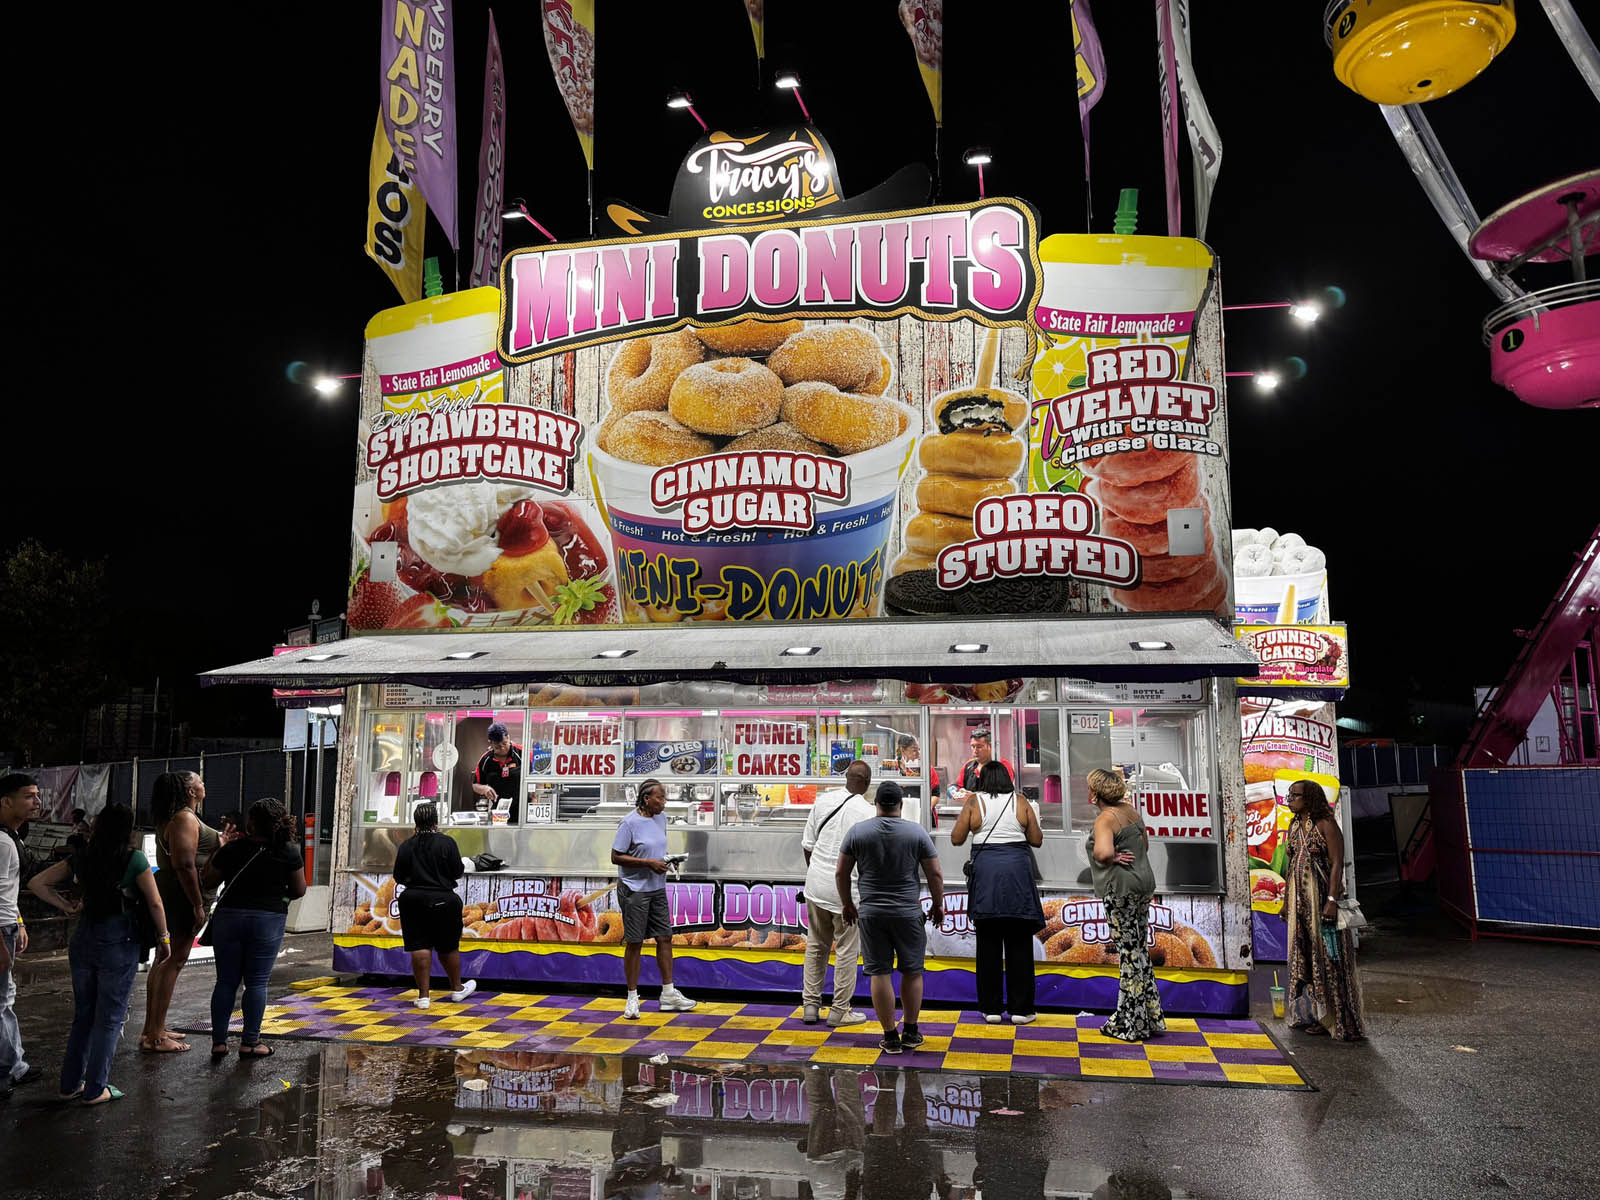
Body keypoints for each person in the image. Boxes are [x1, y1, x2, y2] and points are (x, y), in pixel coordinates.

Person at [28, 802, 172, 1105]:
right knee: (109, 1019)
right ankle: (95, 1089)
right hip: (119, 942)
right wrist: (164, 938)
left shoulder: (82, 857)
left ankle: (69, 1086)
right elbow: (156, 903)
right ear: (127, 830)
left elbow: (37, 883)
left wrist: (66, 906)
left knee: (83, 1017)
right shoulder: (133, 859)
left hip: (83, 940)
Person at [836, 781, 944, 1054]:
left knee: (880, 972)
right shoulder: (916, 833)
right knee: (912, 971)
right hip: (908, 913)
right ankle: (911, 1030)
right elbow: (935, 875)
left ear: (876, 804)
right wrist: (938, 905)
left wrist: (848, 904)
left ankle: (890, 1036)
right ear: (901, 804)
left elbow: (841, 873)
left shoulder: (858, 832)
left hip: (872, 913)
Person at [202, 798, 306, 1058]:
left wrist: (221, 848)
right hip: (267, 920)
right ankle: (250, 1042)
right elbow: (298, 890)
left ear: (251, 823)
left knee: (226, 981)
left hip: (229, 918)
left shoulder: (233, 848)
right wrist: (279, 900)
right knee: (257, 982)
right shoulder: (289, 851)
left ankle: (219, 1042)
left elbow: (208, 880)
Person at [952, 761, 1045, 1024]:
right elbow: (1036, 840)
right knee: (1019, 943)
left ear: (982, 780)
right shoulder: (1021, 801)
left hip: (987, 877)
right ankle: (1021, 1010)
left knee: (988, 943)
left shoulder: (974, 802)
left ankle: (991, 1009)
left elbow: (956, 838)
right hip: (1017, 874)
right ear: (1007, 779)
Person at [142, 770, 220, 1053]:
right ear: (190, 790)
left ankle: (153, 1028)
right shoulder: (184, 818)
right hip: (182, 896)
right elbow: (185, 864)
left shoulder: (177, 817)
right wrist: (197, 903)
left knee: (163, 959)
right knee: (173, 961)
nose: (203, 783)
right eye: (199, 780)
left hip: (175, 893)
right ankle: (156, 1036)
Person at [1086, 768, 1165, 1042]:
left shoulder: (1105, 819)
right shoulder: (1131, 812)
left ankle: (1130, 1024)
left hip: (1121, 890)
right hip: (1143, 885)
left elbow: (1103, 852)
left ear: (1095, 794)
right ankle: (1151, 1016)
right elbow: (1145, 844)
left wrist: (1112, 857)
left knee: (1128, 954)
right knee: (1140, 951)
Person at [1285, 779, 1365, 1041]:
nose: (1290, 799)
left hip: (1321, 903)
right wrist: (1287, 902)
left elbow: (1336, 863)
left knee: (1328, 960)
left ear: (1309, 799)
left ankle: (1336, 1018)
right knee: (1305, 957)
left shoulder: (1326, 825)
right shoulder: (1295, 825)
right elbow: (1291, 865)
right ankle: (1313, 1012)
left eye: (1295, 795)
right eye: (1289, 794)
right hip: (1300, 906)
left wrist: (1331, 899)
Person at [610, 779, 695, 1019]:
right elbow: (616, 857)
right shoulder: (629, 823)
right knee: (635, 942)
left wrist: (667, 860)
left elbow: (654, 851)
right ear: (646, 798)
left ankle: (668, 994)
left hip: (657, 887)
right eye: (660, 798)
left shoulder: (660, 819)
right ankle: (632, 998)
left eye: (665, 797)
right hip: (635, 889)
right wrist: (648, 863)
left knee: (665, 937)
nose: (664, 802)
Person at [800, 761, 874, 1027]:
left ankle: (810, 1006)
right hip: (847, 892)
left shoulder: (824, 801)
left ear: (846, 778)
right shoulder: (868, 812)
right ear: (867, 784)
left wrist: (818, 872)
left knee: (816, 945)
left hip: (815, 884)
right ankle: (839, 1011)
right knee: (846, 950)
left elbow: (808, 845)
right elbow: (869, 860)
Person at [392, 801, 475, 1010]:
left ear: (416, 822)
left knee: (419, 945)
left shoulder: (406, 846)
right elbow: (457, 871)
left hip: (412, 900)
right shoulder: (447, 843)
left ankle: (423, 997)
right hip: (444, 900)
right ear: (436, 822)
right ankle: (457, 989)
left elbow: (398, 876)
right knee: (448, 946)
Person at [1, 772, 42, 1098]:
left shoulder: (11, 838)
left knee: (5, 999)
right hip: (1, 931)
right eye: (29, 796)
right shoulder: (2, 842)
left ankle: (15, 1065)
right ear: (5, 801)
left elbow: (7, 893)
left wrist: (19, 920)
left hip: (8, 926)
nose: (37, 802)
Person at [471, 721, 522, 822]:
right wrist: (485, 789)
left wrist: (534, 799)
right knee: (499, 837)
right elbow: (475, 785)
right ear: (491, 743)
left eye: (504, 743)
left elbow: (536, 775)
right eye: (497, 746)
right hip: (499, 811)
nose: (502, 748)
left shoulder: (521, 753)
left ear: (508, 737)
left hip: (521, 810)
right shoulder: (485, 760)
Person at [949, 728, 1016, 801]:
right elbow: (957, 785)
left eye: (979, 747)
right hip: (972, 811)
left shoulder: (1003, 766)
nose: (975, 751)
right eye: (972, 746)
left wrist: (975, 798)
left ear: (990, 746)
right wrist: (953, 791)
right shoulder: (969, 766)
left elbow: (1004, 795)